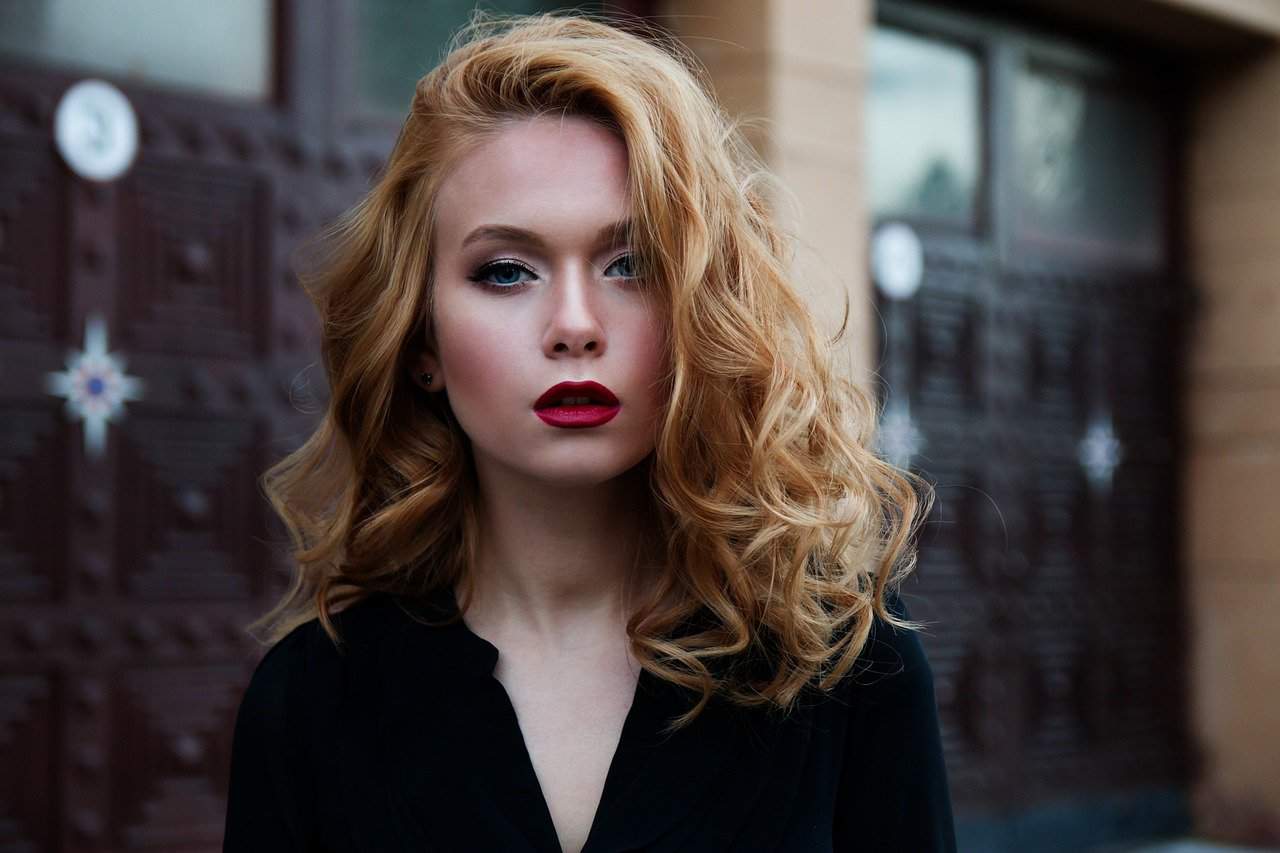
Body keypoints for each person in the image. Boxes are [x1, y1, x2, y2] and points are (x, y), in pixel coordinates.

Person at [222, 11, 955, 853]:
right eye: (506, 271)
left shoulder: (843, 658)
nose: (574, 325)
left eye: (631, 264)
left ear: (698, 310)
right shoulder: (310, 698)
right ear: (421, 337)